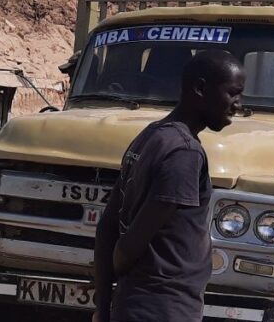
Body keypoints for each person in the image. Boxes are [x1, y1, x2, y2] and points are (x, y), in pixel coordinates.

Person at [93, 50, 245, 322]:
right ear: (200, 88)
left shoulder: (151, 136)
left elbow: (107, 227)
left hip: (134, 304)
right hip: (164, 306)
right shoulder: (185, 153)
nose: (238, 104)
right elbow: (129, 245)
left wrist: (103, 307)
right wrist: (122, 271)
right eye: (233, 93)